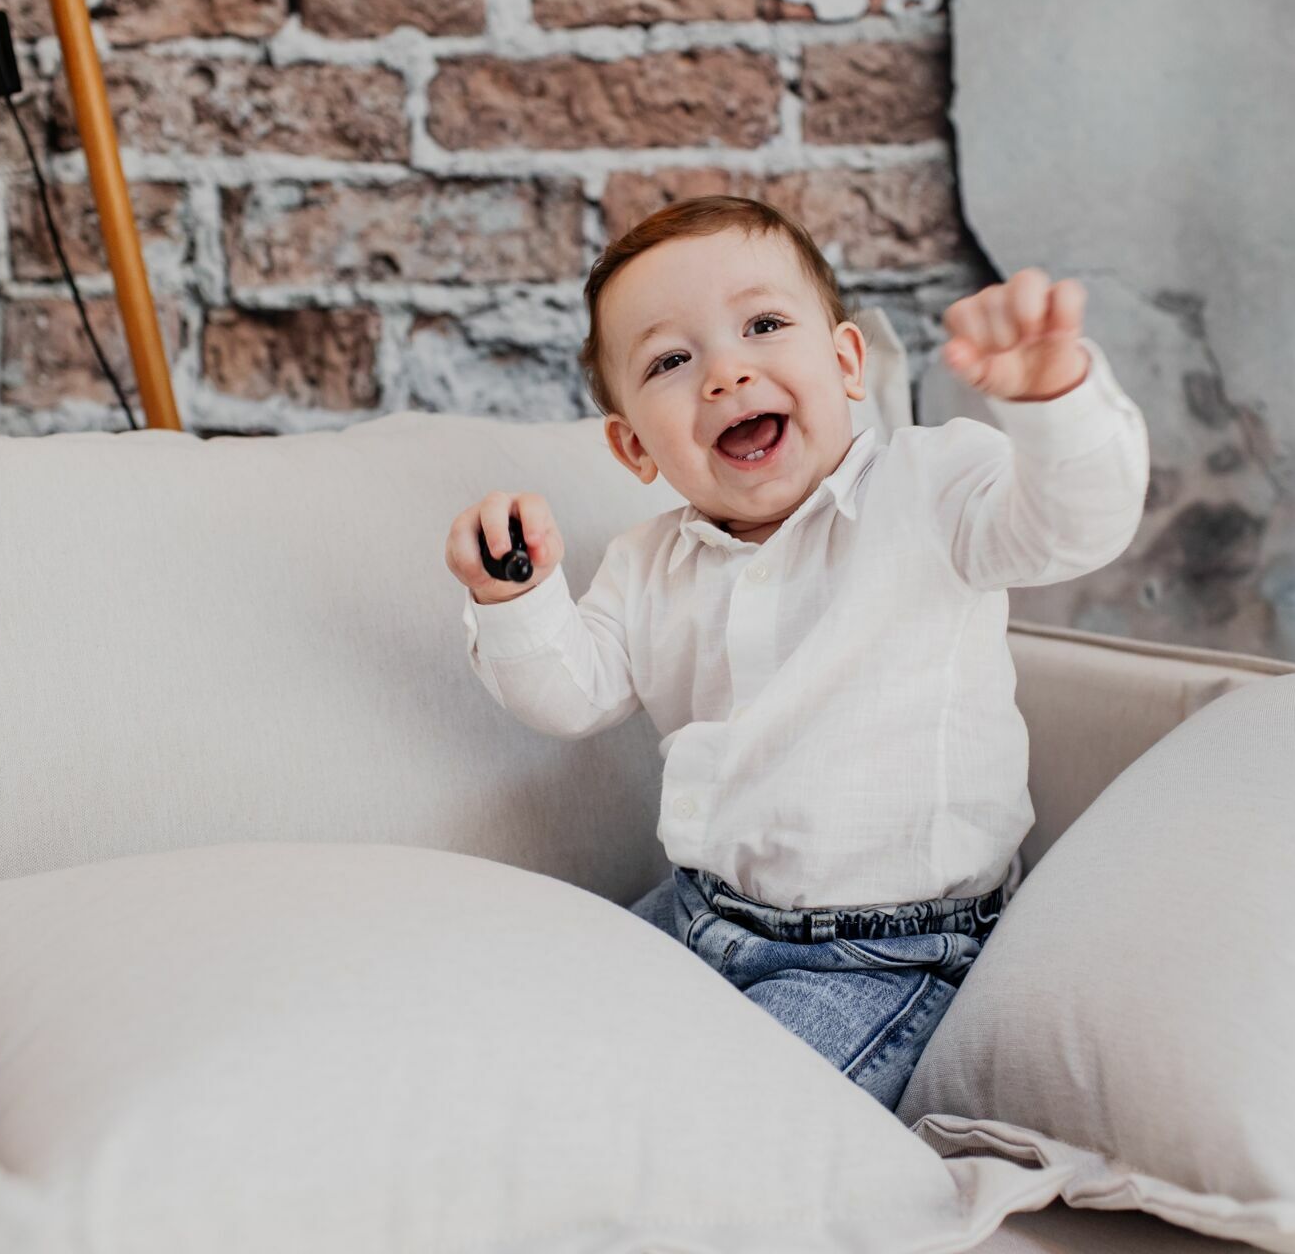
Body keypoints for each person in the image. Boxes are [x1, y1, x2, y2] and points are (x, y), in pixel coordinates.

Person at [444, 194, 1150, 1111]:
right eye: (670, 360)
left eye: (765, 324)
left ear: (847, 362)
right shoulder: (645, 564)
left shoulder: (928, 490)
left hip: (881, 952)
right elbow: (570, 695)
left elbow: (1073, 526)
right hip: (694, 911)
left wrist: (1053, 400)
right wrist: (517, 597)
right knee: (529, 1028)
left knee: (739, 1122)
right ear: (633, 447)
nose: (726, 373)